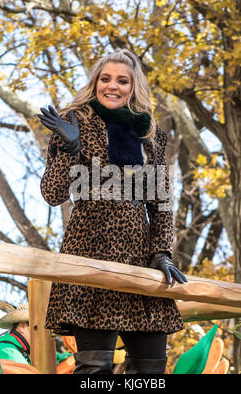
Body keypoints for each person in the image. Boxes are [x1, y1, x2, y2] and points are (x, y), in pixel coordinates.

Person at [38, 48, 188, 374]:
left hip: (139, 258)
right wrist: (69, 148)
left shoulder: (150, 135)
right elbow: (52, 194)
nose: (113, 86)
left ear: (133, 87)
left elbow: (161, 201)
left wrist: (161, 251)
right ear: (95, 83)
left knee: (151, 370)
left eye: (122, 80)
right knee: (95, 369)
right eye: (105, 79)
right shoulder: (74, 123)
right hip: (90, 251)